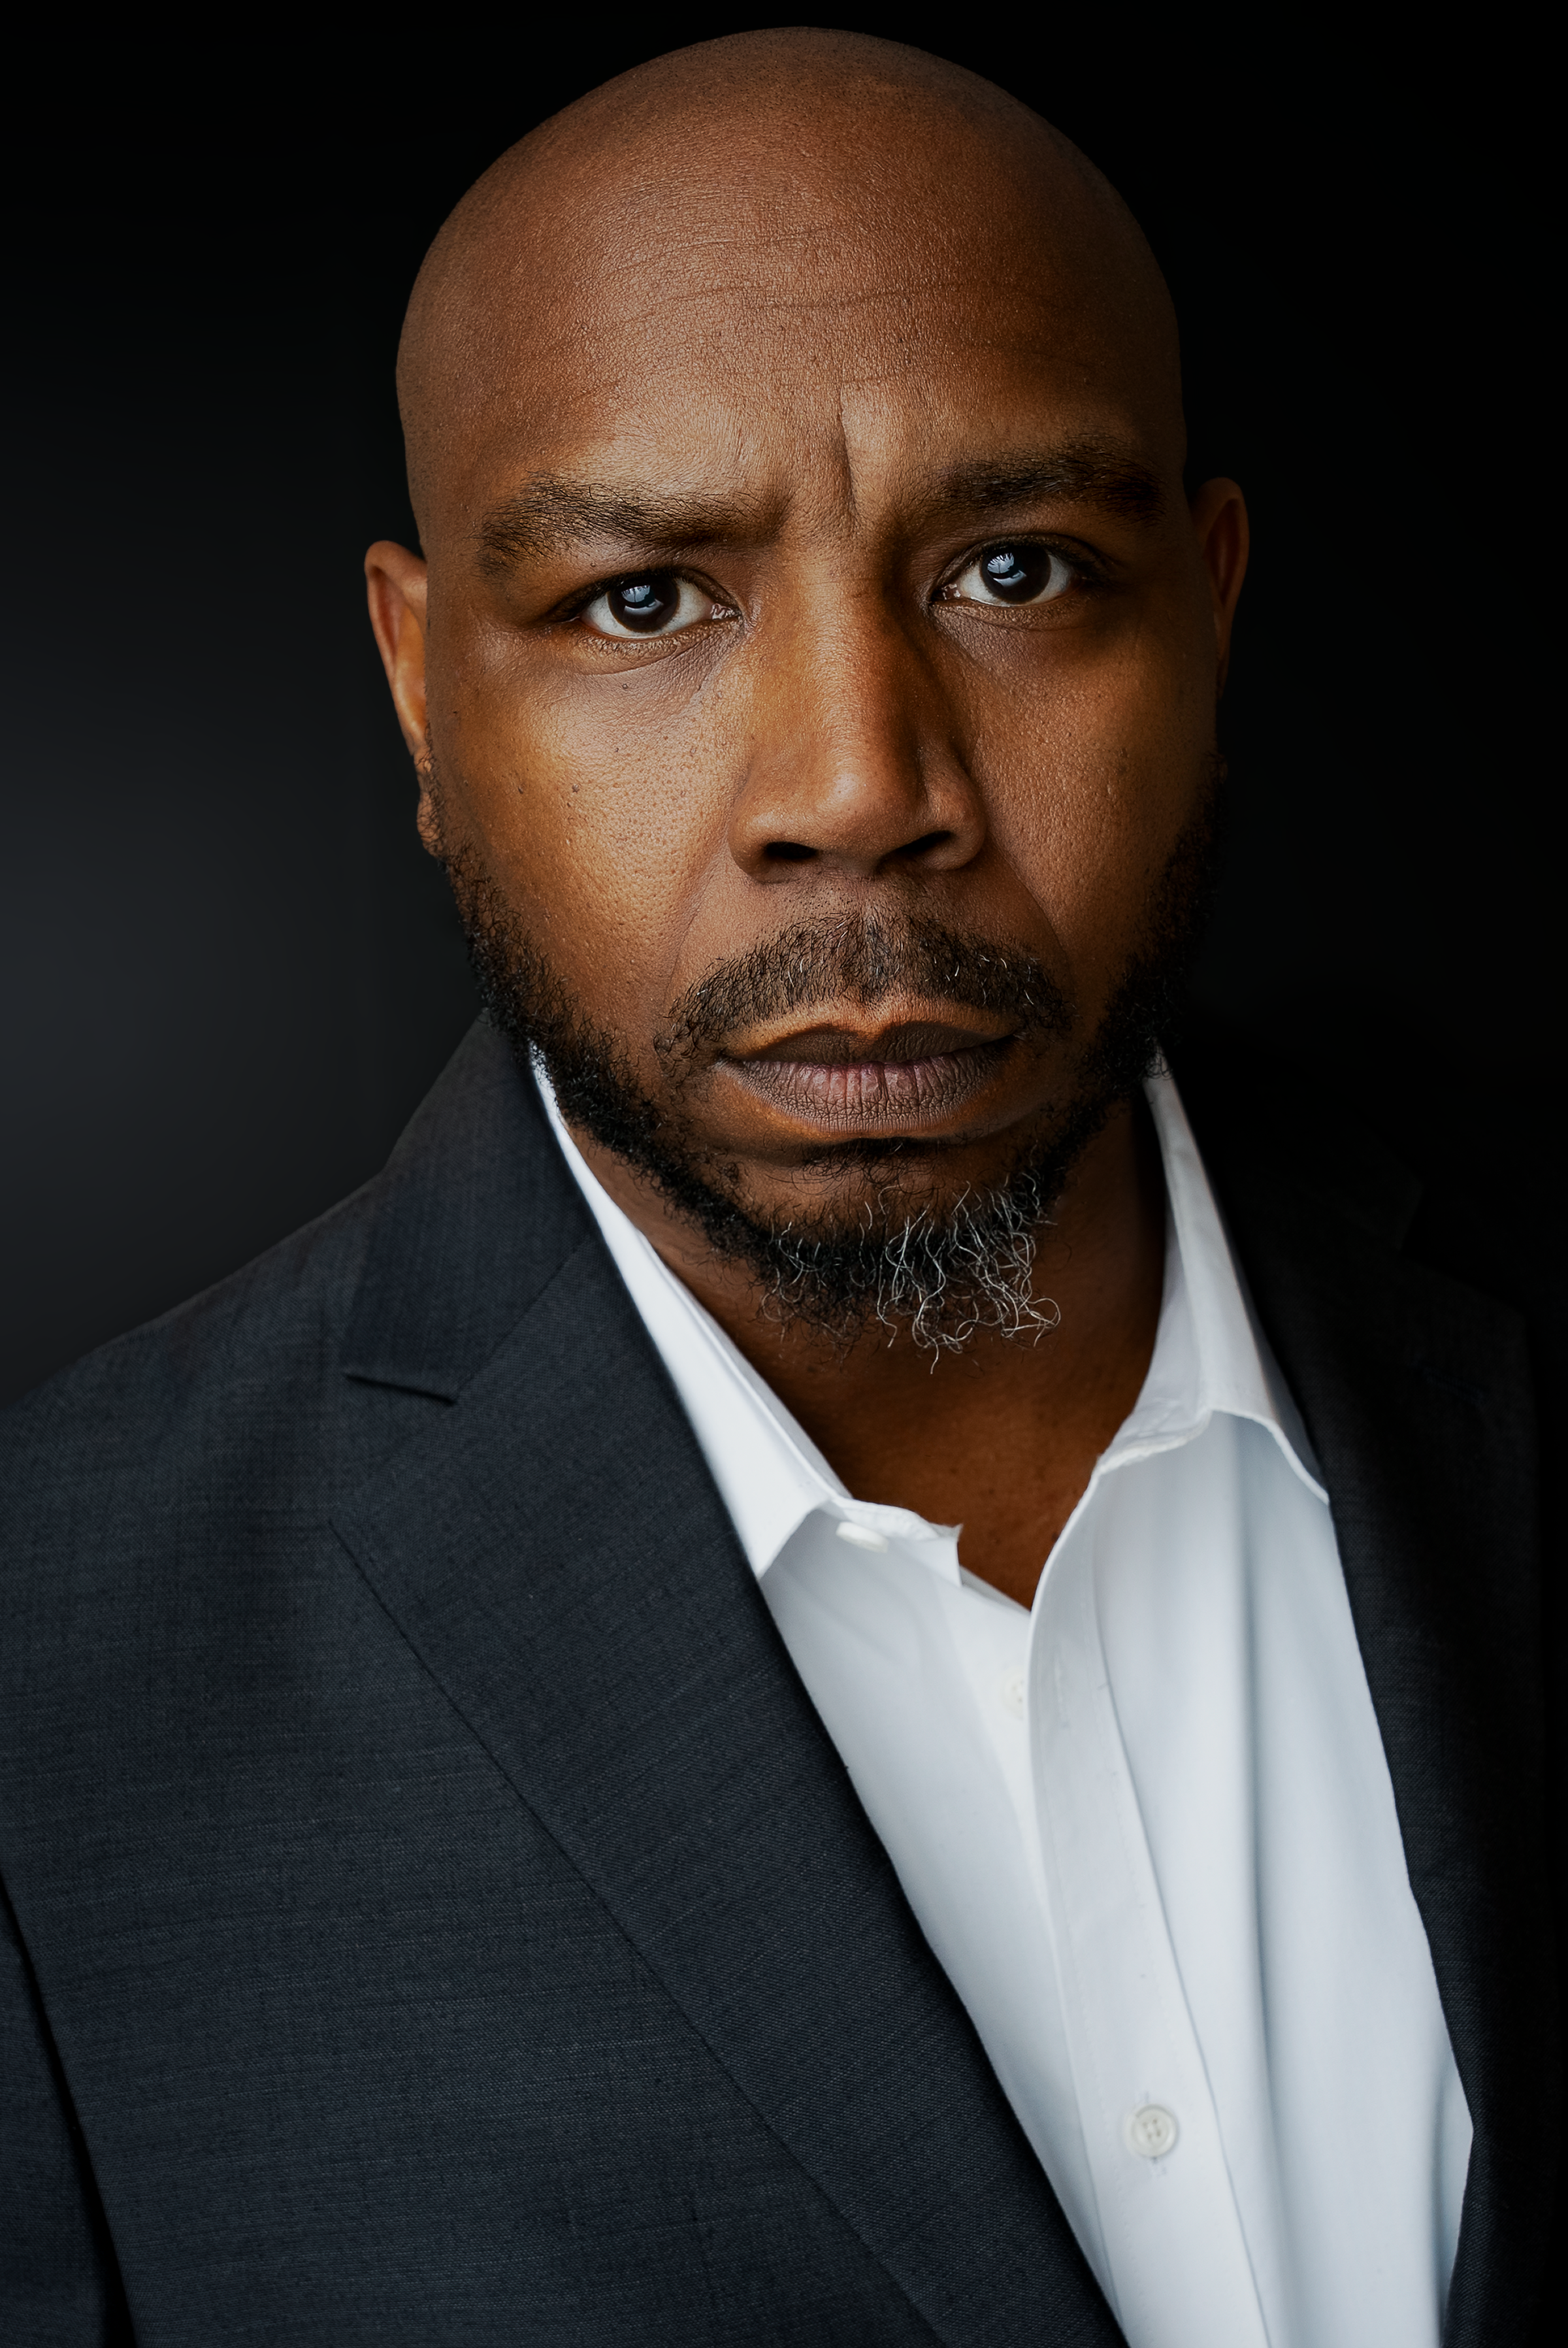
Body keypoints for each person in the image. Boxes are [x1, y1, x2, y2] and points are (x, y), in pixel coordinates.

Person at [0, 31, 1554, 2347]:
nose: (858, 783)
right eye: (644, 601)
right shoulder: (45, 1695)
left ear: (1211, 615)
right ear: (422, 692)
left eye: (1018, 569)